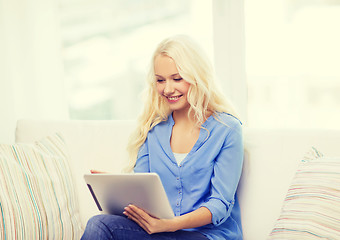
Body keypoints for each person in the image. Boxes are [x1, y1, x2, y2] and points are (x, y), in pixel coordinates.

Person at [81, 35, 244, 240]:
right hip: (160, 233)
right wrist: (116, 189)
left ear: (198, 77)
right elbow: (143, 189)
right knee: (99, 224)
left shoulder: (228, 129)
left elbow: (220, 204)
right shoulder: (153, 129)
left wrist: (172, 224)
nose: (167, 89)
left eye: (177, 78)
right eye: (160, 80)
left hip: (206, 235)